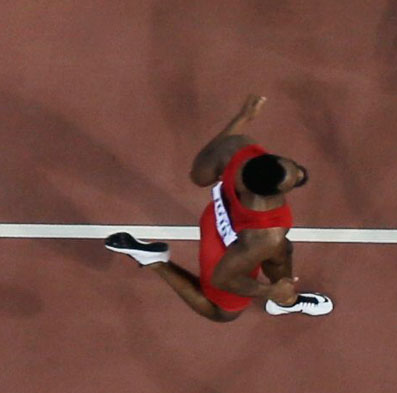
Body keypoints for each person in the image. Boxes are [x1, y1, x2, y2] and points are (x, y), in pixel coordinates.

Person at [104, 94, 332, 322]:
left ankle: (285, 303)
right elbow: (222, 279)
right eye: (294, 180)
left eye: (294, 167)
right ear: (269, 193)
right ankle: (155, 262)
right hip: (226, 245)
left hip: (217, 216)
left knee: (282, 251)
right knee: (224, 312)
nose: (301, 174)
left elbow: (198, 176)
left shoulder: (236, 149)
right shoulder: (267, 232)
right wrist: (268, 291)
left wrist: (241, 119)